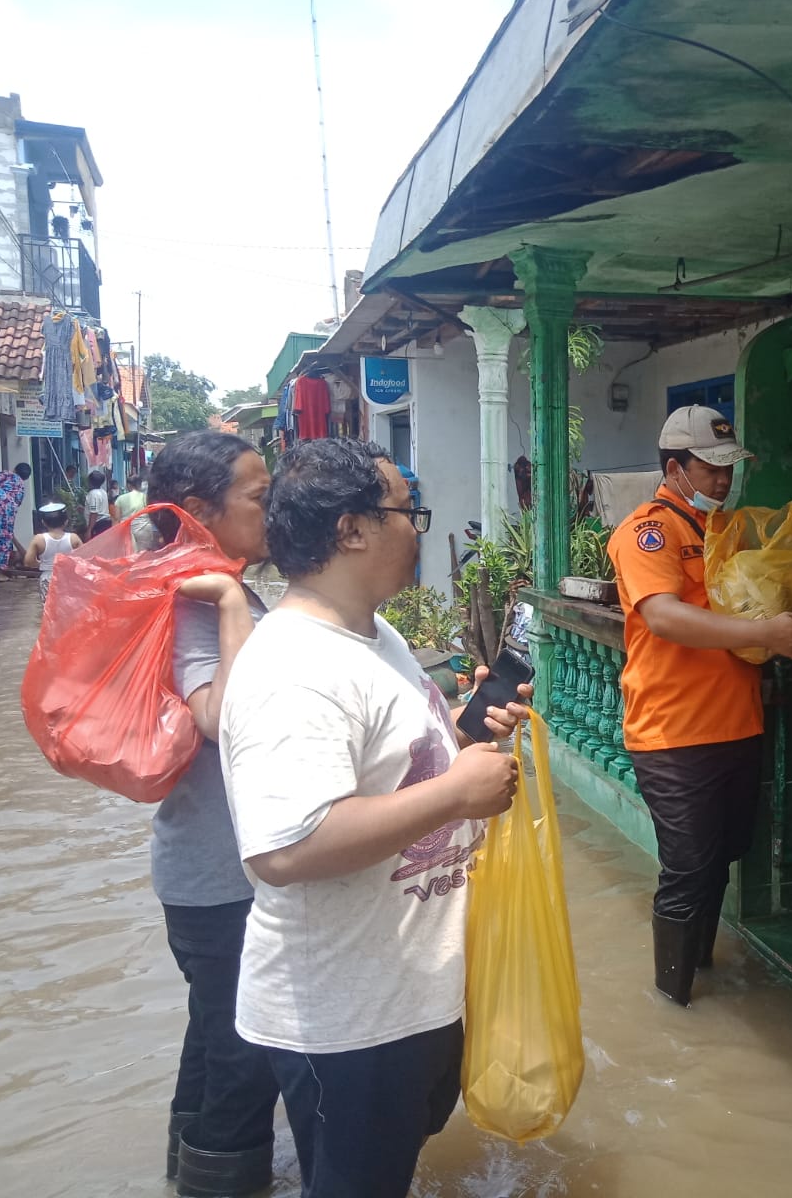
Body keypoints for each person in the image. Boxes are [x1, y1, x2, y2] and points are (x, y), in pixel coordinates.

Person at [219, 438, 531, 1198]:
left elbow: (391, 766)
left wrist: (461, 732)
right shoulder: (293, 667)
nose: (418, 530)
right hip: (344, 1021)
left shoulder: (373, 632)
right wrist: (457, 793)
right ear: (352, 529)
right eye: (407, 511)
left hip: (406, 999)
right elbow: (288, 848)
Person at [607, 405, 792, 1008]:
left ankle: (697, 975)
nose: (723, 481)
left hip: (736, 723)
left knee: (720, 861)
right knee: (686, 871)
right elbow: (661, 615)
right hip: (672, 731)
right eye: (710, 469)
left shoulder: (726, 530)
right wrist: (764, 633)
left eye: (729, 469)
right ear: (674, 467)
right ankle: (671, 1004)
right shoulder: (647, 531)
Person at [144, 431, 279, 1196]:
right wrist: (231, 600)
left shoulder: (209, 583)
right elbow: (222, 719)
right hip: (218, 878)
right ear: (198, 510)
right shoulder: (198, 596)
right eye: (258, 497)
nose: (273, 507)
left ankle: (183, 1177)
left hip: (205, 869)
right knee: (242, 1058)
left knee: (213, 1042)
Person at [22, 502, 80, 607]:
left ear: (44, 522)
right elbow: (85, 558)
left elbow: (28, 561)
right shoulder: (74, 538)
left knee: (49, 610)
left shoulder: (38, 539)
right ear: (66, 522)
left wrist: (40, 564)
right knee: (69, 608)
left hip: (47, 578)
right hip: (69, 578)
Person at [84, 469, 112, 539]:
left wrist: (89, 530)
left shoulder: (93, 494)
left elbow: (94, 513)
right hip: (105, 523)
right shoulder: (103, 492)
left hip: (98, 525)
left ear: (90, 482)